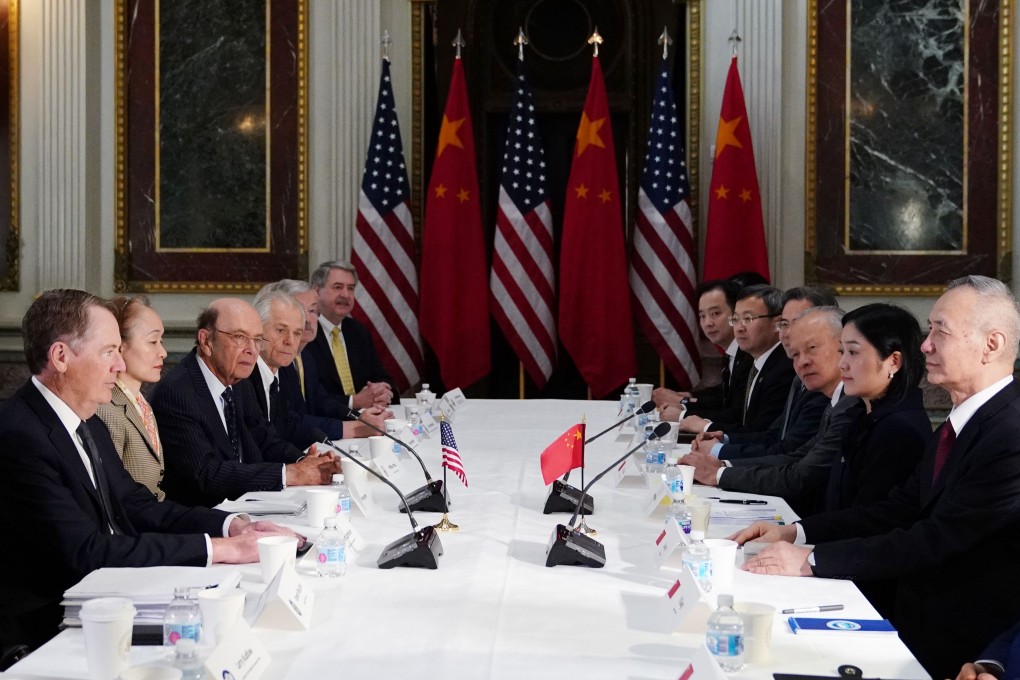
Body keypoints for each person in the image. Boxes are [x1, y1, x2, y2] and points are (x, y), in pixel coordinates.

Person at [734, 276, 1020, 679]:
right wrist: (796, 533)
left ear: (992, 344)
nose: (926, 344)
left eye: (941, 330)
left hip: (966, 649)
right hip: (921, 625)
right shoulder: (956, 426)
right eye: (929, 330)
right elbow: (895, 509)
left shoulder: (1010, 434)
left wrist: (812, 559)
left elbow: (936, 537)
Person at [0, 290, 298, 648]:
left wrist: (229, 526)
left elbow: (136, 505)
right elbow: (86, 552)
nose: (120, 365)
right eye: (109, 352)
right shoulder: (20, 434)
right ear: (61, 356)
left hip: (106, 597)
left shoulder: (87, 419)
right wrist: (220, 550)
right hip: (46, 626)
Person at [150, 298, 341, 507]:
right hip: (207, 516)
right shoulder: (178, 392)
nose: (251, 350)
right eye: (240, 337)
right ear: (206, 341)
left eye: (257, 340)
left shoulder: (237, 379)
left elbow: (264, 438)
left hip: (248, 503)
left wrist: (308, 463)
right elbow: (207, 473)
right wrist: (289, 474)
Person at [680, 306, 861, 515]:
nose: (802, 361)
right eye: (795, 355)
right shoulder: (836, 401)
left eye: (812, 348)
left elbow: (801, 475)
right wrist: (723, 465)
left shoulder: (850, 406)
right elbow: (797, 456)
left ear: (844, 347)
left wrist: (719, 473)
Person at [691, 287, 835, 461]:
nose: (788, 333)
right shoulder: (799, 380)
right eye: (784, 324)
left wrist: (719, 463)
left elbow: (791, 455)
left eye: (797, 323)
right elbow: (774, 435)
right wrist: (724, 440)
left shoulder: (812, 381)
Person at [249, 284, 390, 445]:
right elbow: (287, 424)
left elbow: (318, 402)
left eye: (313, 311)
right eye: (281, 330)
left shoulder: (304, 358)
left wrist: (358, 417)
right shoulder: (258, 369)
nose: (307, 320)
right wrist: (354, 427)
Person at [678, 285, 795, 433]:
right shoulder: (756, 361)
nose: (739, 328)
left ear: (776, 324)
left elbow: (761, 433)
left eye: (748, 318)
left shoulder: (783, 368)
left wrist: (705, 426)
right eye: (736, 319)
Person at [94, 296, 169, 500]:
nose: (163, 352)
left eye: (161, 341)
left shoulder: (141, 404)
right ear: (120, 346)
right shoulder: (105, 411)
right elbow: (115, 500)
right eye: (153, 341)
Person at [653, 279, 752, 419]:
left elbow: (734, 411)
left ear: (737, 314)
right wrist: (689, 397)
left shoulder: (750, 355)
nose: (707, 323)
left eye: (715, 314)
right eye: (702, 316)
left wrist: (682, 410)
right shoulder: (732, 352)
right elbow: (724, 393)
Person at [303, 260, 396, 408]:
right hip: (328, 423)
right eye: (338, 287)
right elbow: (309, 397)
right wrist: (354, 401)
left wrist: (381, 392)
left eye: (351, 288)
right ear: (317, 291)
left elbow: (383, 378)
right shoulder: (305, 333)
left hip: (368, 417)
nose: (346, 295)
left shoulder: (358, 331)